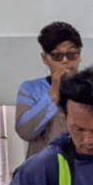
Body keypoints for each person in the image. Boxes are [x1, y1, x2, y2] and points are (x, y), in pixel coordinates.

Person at [15, 21, 82, 159]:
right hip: (43, 169)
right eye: (57, 56)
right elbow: (25, 131)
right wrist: (52, 94)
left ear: (79, 56)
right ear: (45, 58)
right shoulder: (30, 89)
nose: (65, 61)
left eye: (71, 55)